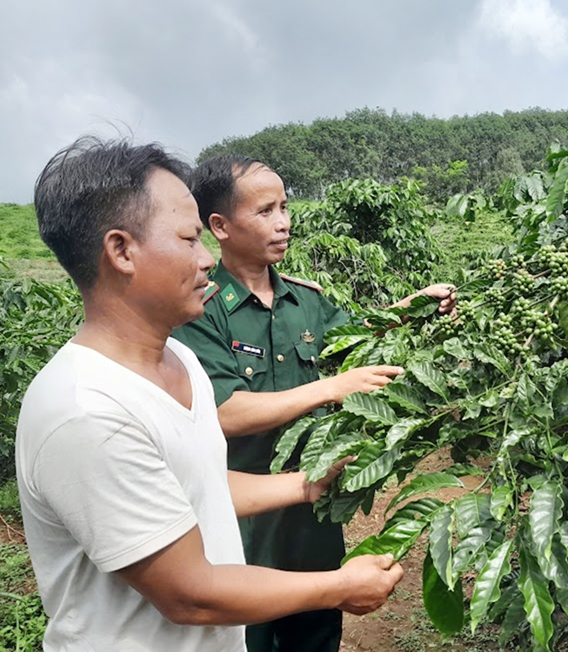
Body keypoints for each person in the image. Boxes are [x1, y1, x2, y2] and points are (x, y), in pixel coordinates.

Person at [15, 138, 404, 652]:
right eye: (189, 239)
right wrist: (338, 587)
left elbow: (196, 483)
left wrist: (306, 486)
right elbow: (190, 595)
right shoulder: (87, 411)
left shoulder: (183, 363)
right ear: (121, 250)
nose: (205, 261)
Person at [172, 155, 455, 652]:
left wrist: (418, 304)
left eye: (284, 207)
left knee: (316, 633)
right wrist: (330, 387)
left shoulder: (306, 301)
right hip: (240, 520)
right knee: (245, 638)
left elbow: (355, 334)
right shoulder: (201, 310)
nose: (283, 222)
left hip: (314, 513)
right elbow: (224, 413)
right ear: (220, 226)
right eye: (265, 211)